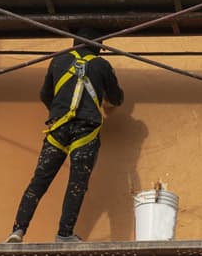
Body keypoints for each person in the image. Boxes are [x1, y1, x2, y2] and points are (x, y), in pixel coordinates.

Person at [7, 31, 124, 243]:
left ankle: (18, 230)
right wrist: (104, 100)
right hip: (85, 131)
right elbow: (117, 98)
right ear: (98, 47)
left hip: (57, 129)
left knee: (39, 181)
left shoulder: (59, 60)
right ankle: (64, 234)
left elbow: (45, 94)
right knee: (77, 183)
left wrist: (58, 111)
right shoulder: (102, 65)